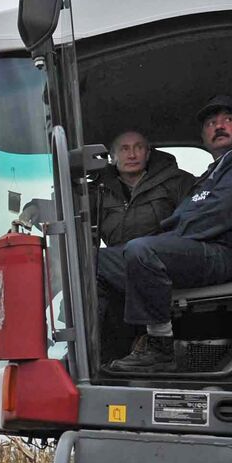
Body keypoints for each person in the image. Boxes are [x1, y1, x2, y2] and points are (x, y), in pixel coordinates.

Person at [96, 95, 232, 373]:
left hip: (220, 251)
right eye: (212, 123)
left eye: (228, 120)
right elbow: (192, 213)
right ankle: (103, 355)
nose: (219, 127)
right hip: (192, 249)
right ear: (203, 136)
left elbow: (217, 214)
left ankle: (160, 346)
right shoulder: (212, 172)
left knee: (142, 250)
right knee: (96, 263)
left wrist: (173, 233)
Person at [90, 130, 196, 356]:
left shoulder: (176, 182)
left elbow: (196, 217)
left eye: (138, 147)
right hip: (120, 267)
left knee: (97, 262)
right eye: (124, 149)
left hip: (162, 263)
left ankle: (156, 344)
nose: (132, 154)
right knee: (84, 269)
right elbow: (66, 210)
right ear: (112, 156)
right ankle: (93, 353)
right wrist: (33, 209)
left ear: (148, 153)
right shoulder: (98, 192)